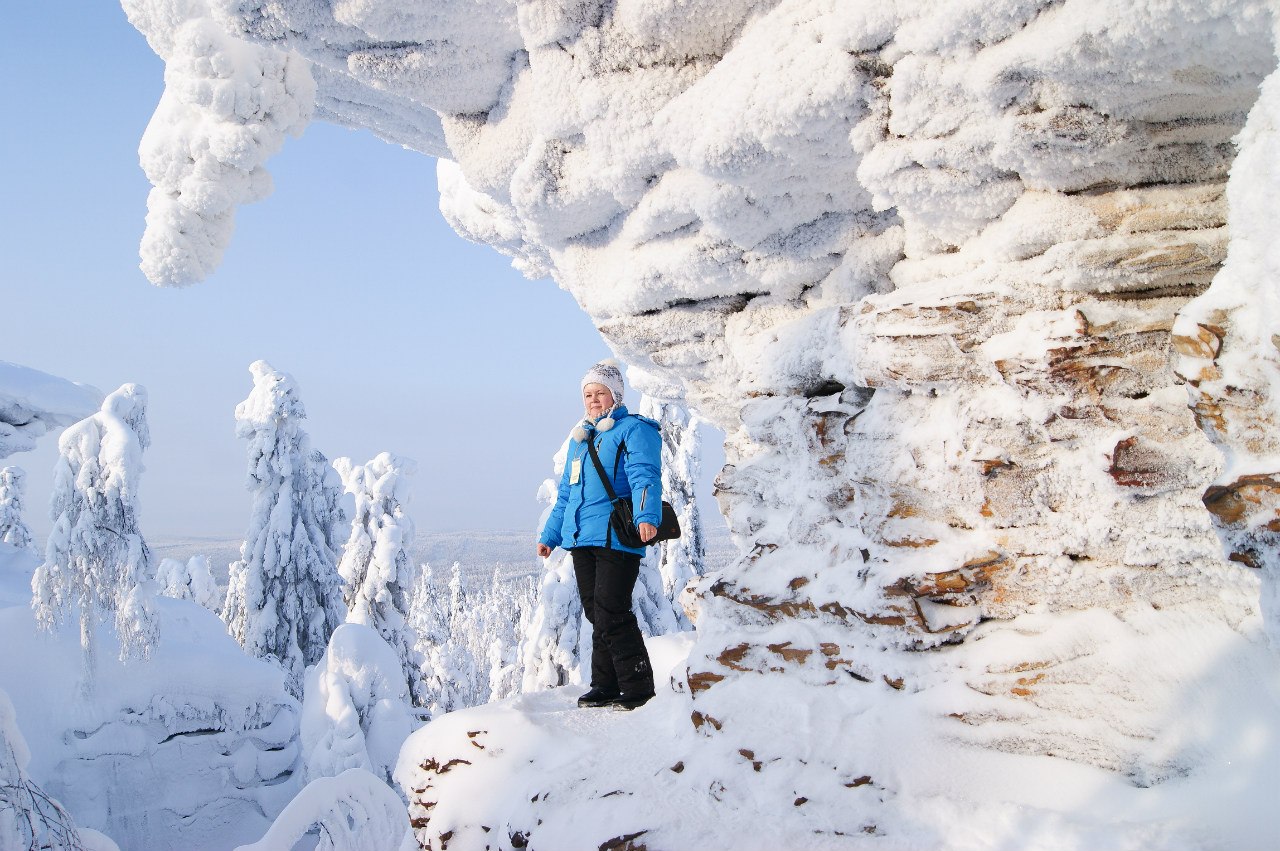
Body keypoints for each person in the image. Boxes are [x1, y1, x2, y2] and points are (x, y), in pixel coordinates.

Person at [537, 360, 662, 710]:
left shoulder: (634, 430)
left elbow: (645, 475)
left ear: (615, 395)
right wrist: (551, 535)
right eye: (588, 394)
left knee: (612, 611)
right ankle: (605, 686)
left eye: (600, 393)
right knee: (597, 614)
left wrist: (646, 516)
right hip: (583, 539)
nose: (593, 400)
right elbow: (566, 496)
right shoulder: (582, 441)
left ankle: (638, 689)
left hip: (617, 537)